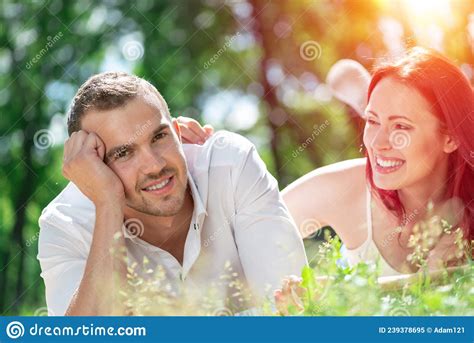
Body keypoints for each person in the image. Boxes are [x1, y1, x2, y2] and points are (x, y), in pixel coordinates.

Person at [186, 47, 473, 277]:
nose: (377, 143)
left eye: (402, 127)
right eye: (372, 120)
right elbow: (228, 246)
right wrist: (193, 167)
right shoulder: (346, 191)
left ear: (450, 137)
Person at [37, 72, 307, 316]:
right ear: (95, 167)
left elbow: (292, 313)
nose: (155, 165)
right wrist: (107, 203)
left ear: (177, 132)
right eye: (123, 153)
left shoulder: (230, 166)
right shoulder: (65, 225)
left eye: (159, 137)